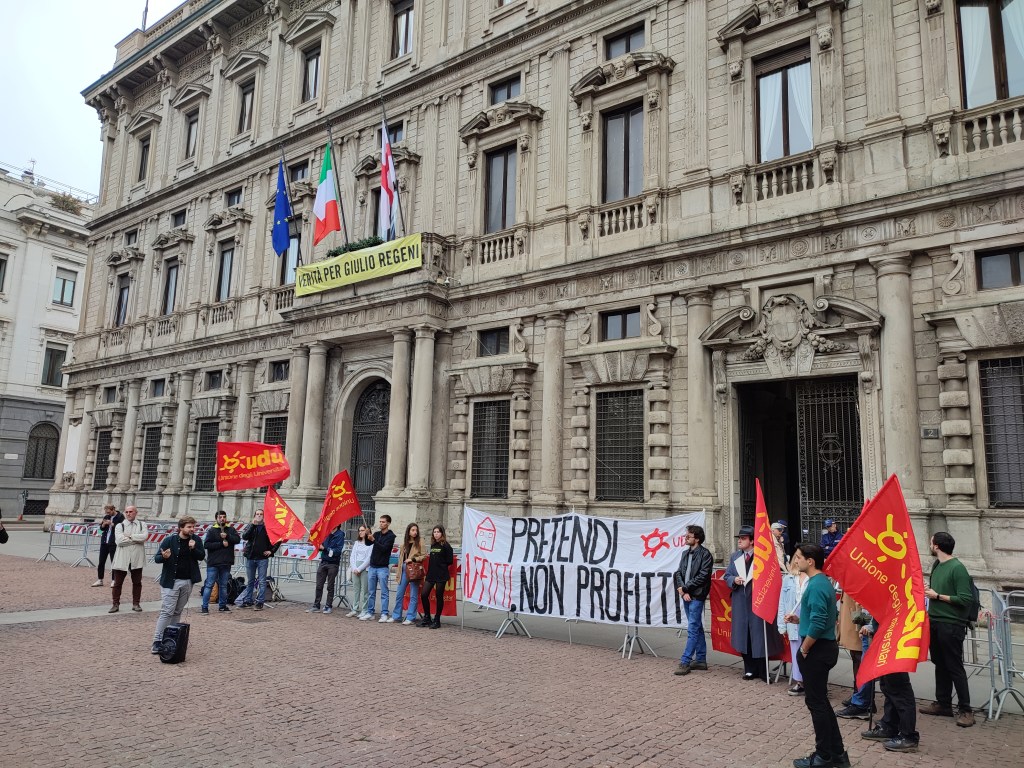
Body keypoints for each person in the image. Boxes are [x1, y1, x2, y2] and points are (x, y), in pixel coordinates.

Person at [787, 543, 847, 768]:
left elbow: (821, 622)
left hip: (817, 649)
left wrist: (804, 649)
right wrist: (800, 620)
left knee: (817, 703)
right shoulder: (820, 582)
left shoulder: (817, 585)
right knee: (820, 702)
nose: (796, 561)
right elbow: (817, 617)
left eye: (799, 557)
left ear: (810, 561)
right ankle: (837, 753)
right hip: (820, 646)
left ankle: (824, 755)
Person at [920, 531, 975, 727]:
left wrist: (937, 596)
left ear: (936, 546)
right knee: (939, 663)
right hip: (935, 621)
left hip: (951, 624)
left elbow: (965, 599)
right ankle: (943, 703)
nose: (929, 543)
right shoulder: (937, 565)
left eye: (931, 541)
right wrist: (930, 590)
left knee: (954, 665)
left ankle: (966, 709)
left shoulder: (957, 568)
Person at [723, 524, 785, 681]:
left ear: (752, 541)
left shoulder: (762, 557)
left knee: (759, 636)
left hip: (758, 602)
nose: (740, 541)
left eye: (743, 538)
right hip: (740, 602)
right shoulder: (735, 557)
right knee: (743, 636)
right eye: (739, 538)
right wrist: (733, 580)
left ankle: (763, 670)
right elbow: (727, 575)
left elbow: (772, 576)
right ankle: (749, 669)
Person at [860, 618, 921, 753]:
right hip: (886, 638)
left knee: (899, 688)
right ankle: (889, 725)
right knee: (888, 685)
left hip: (896, 640)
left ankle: (908, 736)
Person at [151, 515, 205, 654]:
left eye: (193, 526)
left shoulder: (196, 540)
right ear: (181, 528)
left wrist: (193, 549)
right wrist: (164, 556)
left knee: (177, 611)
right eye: (189, 527)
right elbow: (157, 558)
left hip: (187, 581)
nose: (192, 529)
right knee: (167, 611)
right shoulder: (170, 540)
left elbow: (201, 556)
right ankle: (157, 641)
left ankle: (171, 638)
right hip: (171, 581)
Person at [672, 524, 713, 676]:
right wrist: (683, 590)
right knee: (696, 627)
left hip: (697, 595)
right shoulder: (684, 554)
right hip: (686, 595)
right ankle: (701, 659)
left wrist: (686, 588)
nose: (685, 538)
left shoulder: (705, 554)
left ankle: (685, 661)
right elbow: (678, 573)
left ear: (696, 539)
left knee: (692, 628)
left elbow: (703, 576)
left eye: (688, 536)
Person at [835, 595, 875, 720]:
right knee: (857, 656)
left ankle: (862, 700)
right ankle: (859, 696)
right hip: (857, 613)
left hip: (860, 615)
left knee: (861, 659)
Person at [236, 509, 280, 611]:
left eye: (261, 514)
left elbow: (278, 539)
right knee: (250, 580)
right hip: (251, 557)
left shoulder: (268, 527)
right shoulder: (251, 526)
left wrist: (271, 551)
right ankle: (247, 600)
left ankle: (260, 602)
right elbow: (245, 536)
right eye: (257, 514)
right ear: (254, 515)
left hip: (262, 558)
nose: (259, 516)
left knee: (262, 581)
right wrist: (253, 525)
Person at [778, 557, 809, 695]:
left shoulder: (813, 578)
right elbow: (782, 602)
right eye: (796, 557)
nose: (797, 560)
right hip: (792, 616)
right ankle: (799, 682)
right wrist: (781, 625)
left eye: (800, 557)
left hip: (807, 615)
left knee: (810, 650)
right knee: (796, 650)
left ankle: (813, 682)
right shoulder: (788, 579)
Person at [201, 510, 240, 614]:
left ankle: (222, 606)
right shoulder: (212, 530)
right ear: (216, 519)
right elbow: (207, 545)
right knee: (209, 585)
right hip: (214, 562)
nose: (222, 519)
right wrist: (221, 544)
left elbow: (237, 540)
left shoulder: (230, 529)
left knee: (223, 585)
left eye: (224, 517)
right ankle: (204, 607)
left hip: (226, 562)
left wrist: (227, 536)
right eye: (220, 517)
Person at [109, 505, 147, 613]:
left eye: (131, 511)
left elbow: (144, 537)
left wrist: (129, 537)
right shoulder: (119, 526)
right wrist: (136, 538)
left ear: (135, 513)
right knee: (117, 583)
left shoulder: (142, 524)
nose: (128, 514)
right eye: (126, 512)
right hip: (122, 558)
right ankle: (115, 604)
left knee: (137, 582)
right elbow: (119, 541)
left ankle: (136, 603)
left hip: (136, 558)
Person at [360, 514, 396, 621]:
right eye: (380, 522)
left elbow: (384, 548)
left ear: (388, 523)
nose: (381, 523)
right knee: (371, 591)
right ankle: (370, 612)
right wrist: (367, 536)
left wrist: (374, 540)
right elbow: (368, 544)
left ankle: (384, 613)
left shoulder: (391, 536)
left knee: (384, 592)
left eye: (383, 522)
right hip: (373, 566)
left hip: (382, 568)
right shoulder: (376, 534)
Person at [390, 523, 426, 625]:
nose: (415, 532)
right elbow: (401, 558)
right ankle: (396, 615)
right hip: (404, 569)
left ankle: (410, 617)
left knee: (414, 594)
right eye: (413, 530)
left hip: (414, 569)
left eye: (416, 530)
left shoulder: (420, 542)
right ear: (409, 531)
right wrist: (399, 570)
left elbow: (424, 555)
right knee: (399, 593)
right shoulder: (404, 544)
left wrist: (413, 559)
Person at [420, 525, 454, 628]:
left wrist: (441, 566)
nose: (436, 534)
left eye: (438, 532)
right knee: (424, 594)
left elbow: (449, 561)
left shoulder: (446, 546)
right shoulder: (433, 545)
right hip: (431, 574)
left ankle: (437, 619)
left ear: (442, 533)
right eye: (434, 532)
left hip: (441, 575)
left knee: (439, 597)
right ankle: (427, 617)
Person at [308, 524, 346, 614]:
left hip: (333, 563)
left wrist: (325, 548)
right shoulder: (326, 533)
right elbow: (322, 546)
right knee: (319, 585)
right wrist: (318, 546)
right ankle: (316, 605)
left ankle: (328, 606)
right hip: (324, 561)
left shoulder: (340, 535)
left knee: (330, 586)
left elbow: (337, 551)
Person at [93, 504, 124, 587]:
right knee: (101, 562)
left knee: (113, 562)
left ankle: (114, 580)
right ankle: (100, 579)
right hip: (104, 542)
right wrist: (103, 525)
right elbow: (101, 528)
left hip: (113, 542)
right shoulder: (106, 516)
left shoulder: (120, 517)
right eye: (106, 512)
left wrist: (111, 523)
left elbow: (121, 528)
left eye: (109, 512)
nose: (108, 514)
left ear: (113, 509)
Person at [346, 524, 372, 618]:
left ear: (367, 531)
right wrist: (354, 567)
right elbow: (352, 556)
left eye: (363, 530)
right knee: (356, 589)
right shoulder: (357, 543)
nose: (361, 532)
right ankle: (355, 608)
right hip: (355, 567)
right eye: (359, 530)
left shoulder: (370, 544)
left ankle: (364, 609)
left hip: (364, 568)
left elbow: (369, 558)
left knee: (364, 590)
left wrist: (360, 568)